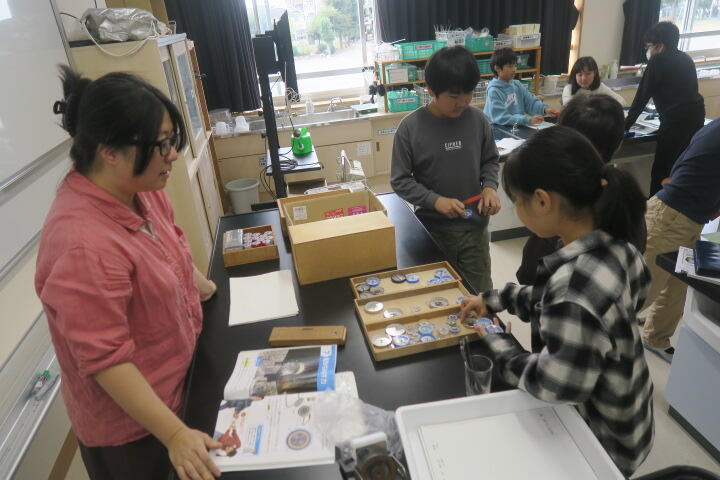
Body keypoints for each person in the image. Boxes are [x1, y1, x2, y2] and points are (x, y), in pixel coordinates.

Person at [35, 67, 222, 480]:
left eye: (172, 139)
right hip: (138, 431)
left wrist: (206, 287)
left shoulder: (139, 189)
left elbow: (169, 246)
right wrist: (175, 434)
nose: (172, 154)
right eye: (161, 144)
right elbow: (107, 361)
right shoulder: (81, 245)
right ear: (109, 151)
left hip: (181, 383)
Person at [460, 126, 653, 476]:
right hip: (633, 415)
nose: (517, 210)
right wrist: (496, 299)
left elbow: (552, 385)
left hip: (601, 444)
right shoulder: (617, 245)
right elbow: (553, 299)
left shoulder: (573, 291)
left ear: (542, 200)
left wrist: (496, 338)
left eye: (517, 201)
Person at [514, 94, 640, 352]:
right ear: (618, 144)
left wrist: (499, 343)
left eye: (518, 200)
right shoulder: (623, 203)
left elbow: (534, 280)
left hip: (564, 348)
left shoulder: (566, 217)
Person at [391, 45, 501, 292]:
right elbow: (400, 180)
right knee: (438, 294)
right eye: (453, 96)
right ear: (431, 90)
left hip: (474, 230)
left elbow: (490, 160)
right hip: (432, 231)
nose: (463, 102)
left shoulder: (478, 120)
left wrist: (490, 188)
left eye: (468, 93)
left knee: (479, 293)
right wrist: (435, 200)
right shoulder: (410, 128)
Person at [642, 118, 720, 362]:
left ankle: (655, 338)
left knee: (677, 286)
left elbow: (680, 164)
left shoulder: (714, 127)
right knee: (641, 290)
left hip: (688, 217)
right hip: (671, 217)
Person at [625, 21, 705, 196]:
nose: (648, 51)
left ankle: (655, 208)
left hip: (676, 123)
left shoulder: (658, 61)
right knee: (681, 168)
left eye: (649, 47)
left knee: (661, 171)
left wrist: (623, 127)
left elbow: (641, 98)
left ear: (660, 46)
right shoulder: (686, 58)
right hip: (696, 119)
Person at [483, 47, 559, 126]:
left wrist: (545, 109)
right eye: (510, 66)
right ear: (497, 68)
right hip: (498, 129)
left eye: (515, 66)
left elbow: (530, 102)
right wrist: (527, 120)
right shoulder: (494, 90)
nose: (514, 69)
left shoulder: (517, 85)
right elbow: (501, 117)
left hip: (515, 126)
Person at [562, 56, 626, 107]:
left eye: (588, 74)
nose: (583, 78)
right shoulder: (569, 88)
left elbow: (622, 101)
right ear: (575, 75)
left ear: (594, 73)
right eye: (580, 75)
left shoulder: (600, 87)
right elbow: (568, 106)